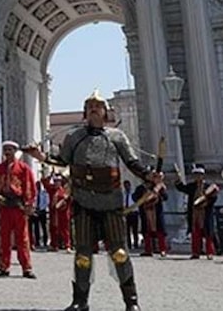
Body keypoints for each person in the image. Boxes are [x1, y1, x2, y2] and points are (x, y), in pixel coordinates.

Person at [24, 89, 160, 311]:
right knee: (83, 254)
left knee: (119, 252)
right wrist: (41, 157)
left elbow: (132, 163)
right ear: (84, 112)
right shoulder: (74, 137)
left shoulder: (117, 136)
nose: (94, 109)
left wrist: (148, 176)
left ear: (106, 112)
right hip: (83, 202)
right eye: (89, 107)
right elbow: (61, 161)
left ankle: (131, 301)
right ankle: (80, 301)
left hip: (111, 203)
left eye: (98, 106)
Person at [0, 141, 37, 278]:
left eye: (10, 149)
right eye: (5, 149)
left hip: (18, 206)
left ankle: (26, 268)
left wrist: (29, 204)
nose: (7, 152)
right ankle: (4, 267)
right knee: (4, 238)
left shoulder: (24, 168)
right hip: (4, 206)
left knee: (23, 239)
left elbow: (30, 187)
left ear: (15, 151)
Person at [175, 165, 217, 260]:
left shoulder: (208, 186)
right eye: (196, 175)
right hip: (194, 214)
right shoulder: (191, 186)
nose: (197, 177)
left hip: (205, 213)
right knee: (195, 234)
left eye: (199, 175)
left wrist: (206, 201)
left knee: (208, 234)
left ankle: (209, 252)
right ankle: (196, 252)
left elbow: (213, 197)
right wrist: (178, 179)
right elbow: (182, 188)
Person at [134, 179, 167, 257]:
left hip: (156, 213)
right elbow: (135, 197)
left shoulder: (158, 188)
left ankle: (162, 250)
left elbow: (165, 197)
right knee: (146, 232)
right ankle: (148, 250)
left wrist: (160, 192)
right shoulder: (140, 188)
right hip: (145, 213)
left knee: (160, 232)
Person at [48, 172, 72, 252]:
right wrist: (50, 175)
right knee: (53, 229)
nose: (56, 183)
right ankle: (54, 245)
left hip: (63, 213)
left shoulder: (64, 190)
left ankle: (67, 245)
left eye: (58, 181)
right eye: (55, 181)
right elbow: (44, 181)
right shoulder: (52, 190)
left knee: (65, 230)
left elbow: (69, 200)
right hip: (54, 213)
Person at [30, 178, 49, 251]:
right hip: (34, 211)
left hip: (42, 211)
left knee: (44, 227)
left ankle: (45, 241)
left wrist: (41, 209)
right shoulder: (33, 193)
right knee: (36, 227)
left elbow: (46, 202)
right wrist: (34, 209)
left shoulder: (44, 192)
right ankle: (37, 241)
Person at [122, 180, 139, 250]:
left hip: (134, 213)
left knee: (135, 230)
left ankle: (136, 244)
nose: (126, 187)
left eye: (127, 185)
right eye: (125, 186)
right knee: (127, 230)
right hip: (127, 213)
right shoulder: (123, 194)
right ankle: (129, 244)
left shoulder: (133, 194)